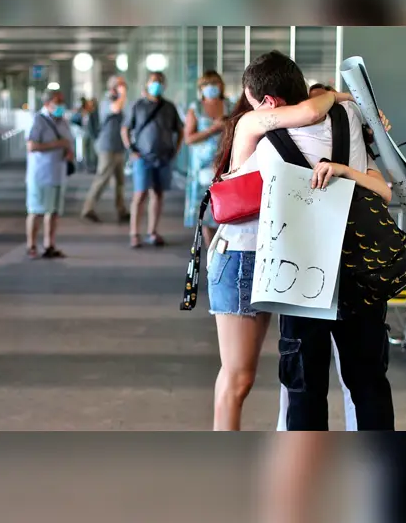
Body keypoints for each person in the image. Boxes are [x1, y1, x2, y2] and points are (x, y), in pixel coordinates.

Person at [238, 52, 395, 431]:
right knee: (369, 382)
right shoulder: (352, 118)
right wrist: (343, 99)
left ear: (269, 103)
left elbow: (237, 198)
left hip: (299, 275)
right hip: (361, 268)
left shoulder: (265, 145)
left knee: (305, 388)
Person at [205, 52, 356, 430]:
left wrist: (343, 102)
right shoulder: (252, 122)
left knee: (296, 369)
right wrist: (340, 96)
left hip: (288, 254)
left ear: (268, 98)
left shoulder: (305, 125)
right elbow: (309, 111)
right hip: (242, 256)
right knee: (239, 378)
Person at [121, 72, 183, 248]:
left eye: (160, 82)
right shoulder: (138, 106)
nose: (157, 85)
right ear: (147, 84)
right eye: (154, 82)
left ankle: (152, 231)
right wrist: (131, 150)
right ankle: (134, 233)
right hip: (142, 157)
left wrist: (175, 150)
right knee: (139, 194)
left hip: (163, 157)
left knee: (158, 193)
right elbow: (125, 128)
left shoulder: (169, 107)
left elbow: (179, 130)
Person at [182, 70, 231, 251]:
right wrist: (213, 129)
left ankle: (225, 247)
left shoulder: (230, 106)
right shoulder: (195, 108)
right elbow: (189, 138)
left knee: (226, 206)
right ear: (201, 88)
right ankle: (212, 252)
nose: (211, 88)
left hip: (225, 164)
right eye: (207, 84)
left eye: (215, 84)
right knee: (206, 209)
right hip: (202, 166)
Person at [25, 89, 74, 259]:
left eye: (62, 101)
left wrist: (68, 151)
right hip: (41, 174)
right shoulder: (38, 121)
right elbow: (32, 146)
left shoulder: (63, 121)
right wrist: (57, 144)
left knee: (53, 212)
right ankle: (31, 245)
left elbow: (68, 141)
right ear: (47, 104)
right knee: (37, 210)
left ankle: (49, 245)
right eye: (57, 102)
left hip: (58, 173)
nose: (61, 105)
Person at [80, 75, 130, 223]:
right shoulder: (107, 101)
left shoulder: (119, 101)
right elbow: (116, 108)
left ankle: (121, 210)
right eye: (120, 85)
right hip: (107, 147)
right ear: (113, 87)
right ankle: (87, 208)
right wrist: (123, 94)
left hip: (118, 146)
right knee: (102, 178)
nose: (123, 87)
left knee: (119, 181)